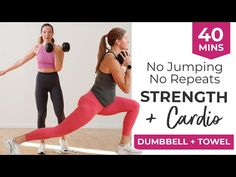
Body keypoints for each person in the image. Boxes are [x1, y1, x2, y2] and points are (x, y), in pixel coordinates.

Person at [5, 27, 142, 155]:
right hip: (92, 104)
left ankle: (123, 146)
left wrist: (126, 66)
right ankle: (15, 141)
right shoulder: (110, 58)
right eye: (125, 38)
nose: (128, 40)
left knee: (134, 106)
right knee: (58, 130)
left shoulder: (115, 58)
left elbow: (124, 82)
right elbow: (125, 88)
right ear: (118, 41)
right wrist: (129, 66)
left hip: (106, 101)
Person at [0, 23, 69, 154]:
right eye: (44, 32)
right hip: (41, 81)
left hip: (54, 80)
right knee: (41, 113)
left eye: (49, 32)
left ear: (53, 34)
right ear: (41, 34)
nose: (47, 34)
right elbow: (21, 61)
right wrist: (5, 70)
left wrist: (54, 52)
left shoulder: (59, 49)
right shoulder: (36, 48)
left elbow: (59, 68)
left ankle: (63, 140)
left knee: (59, 112)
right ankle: (42, 144)